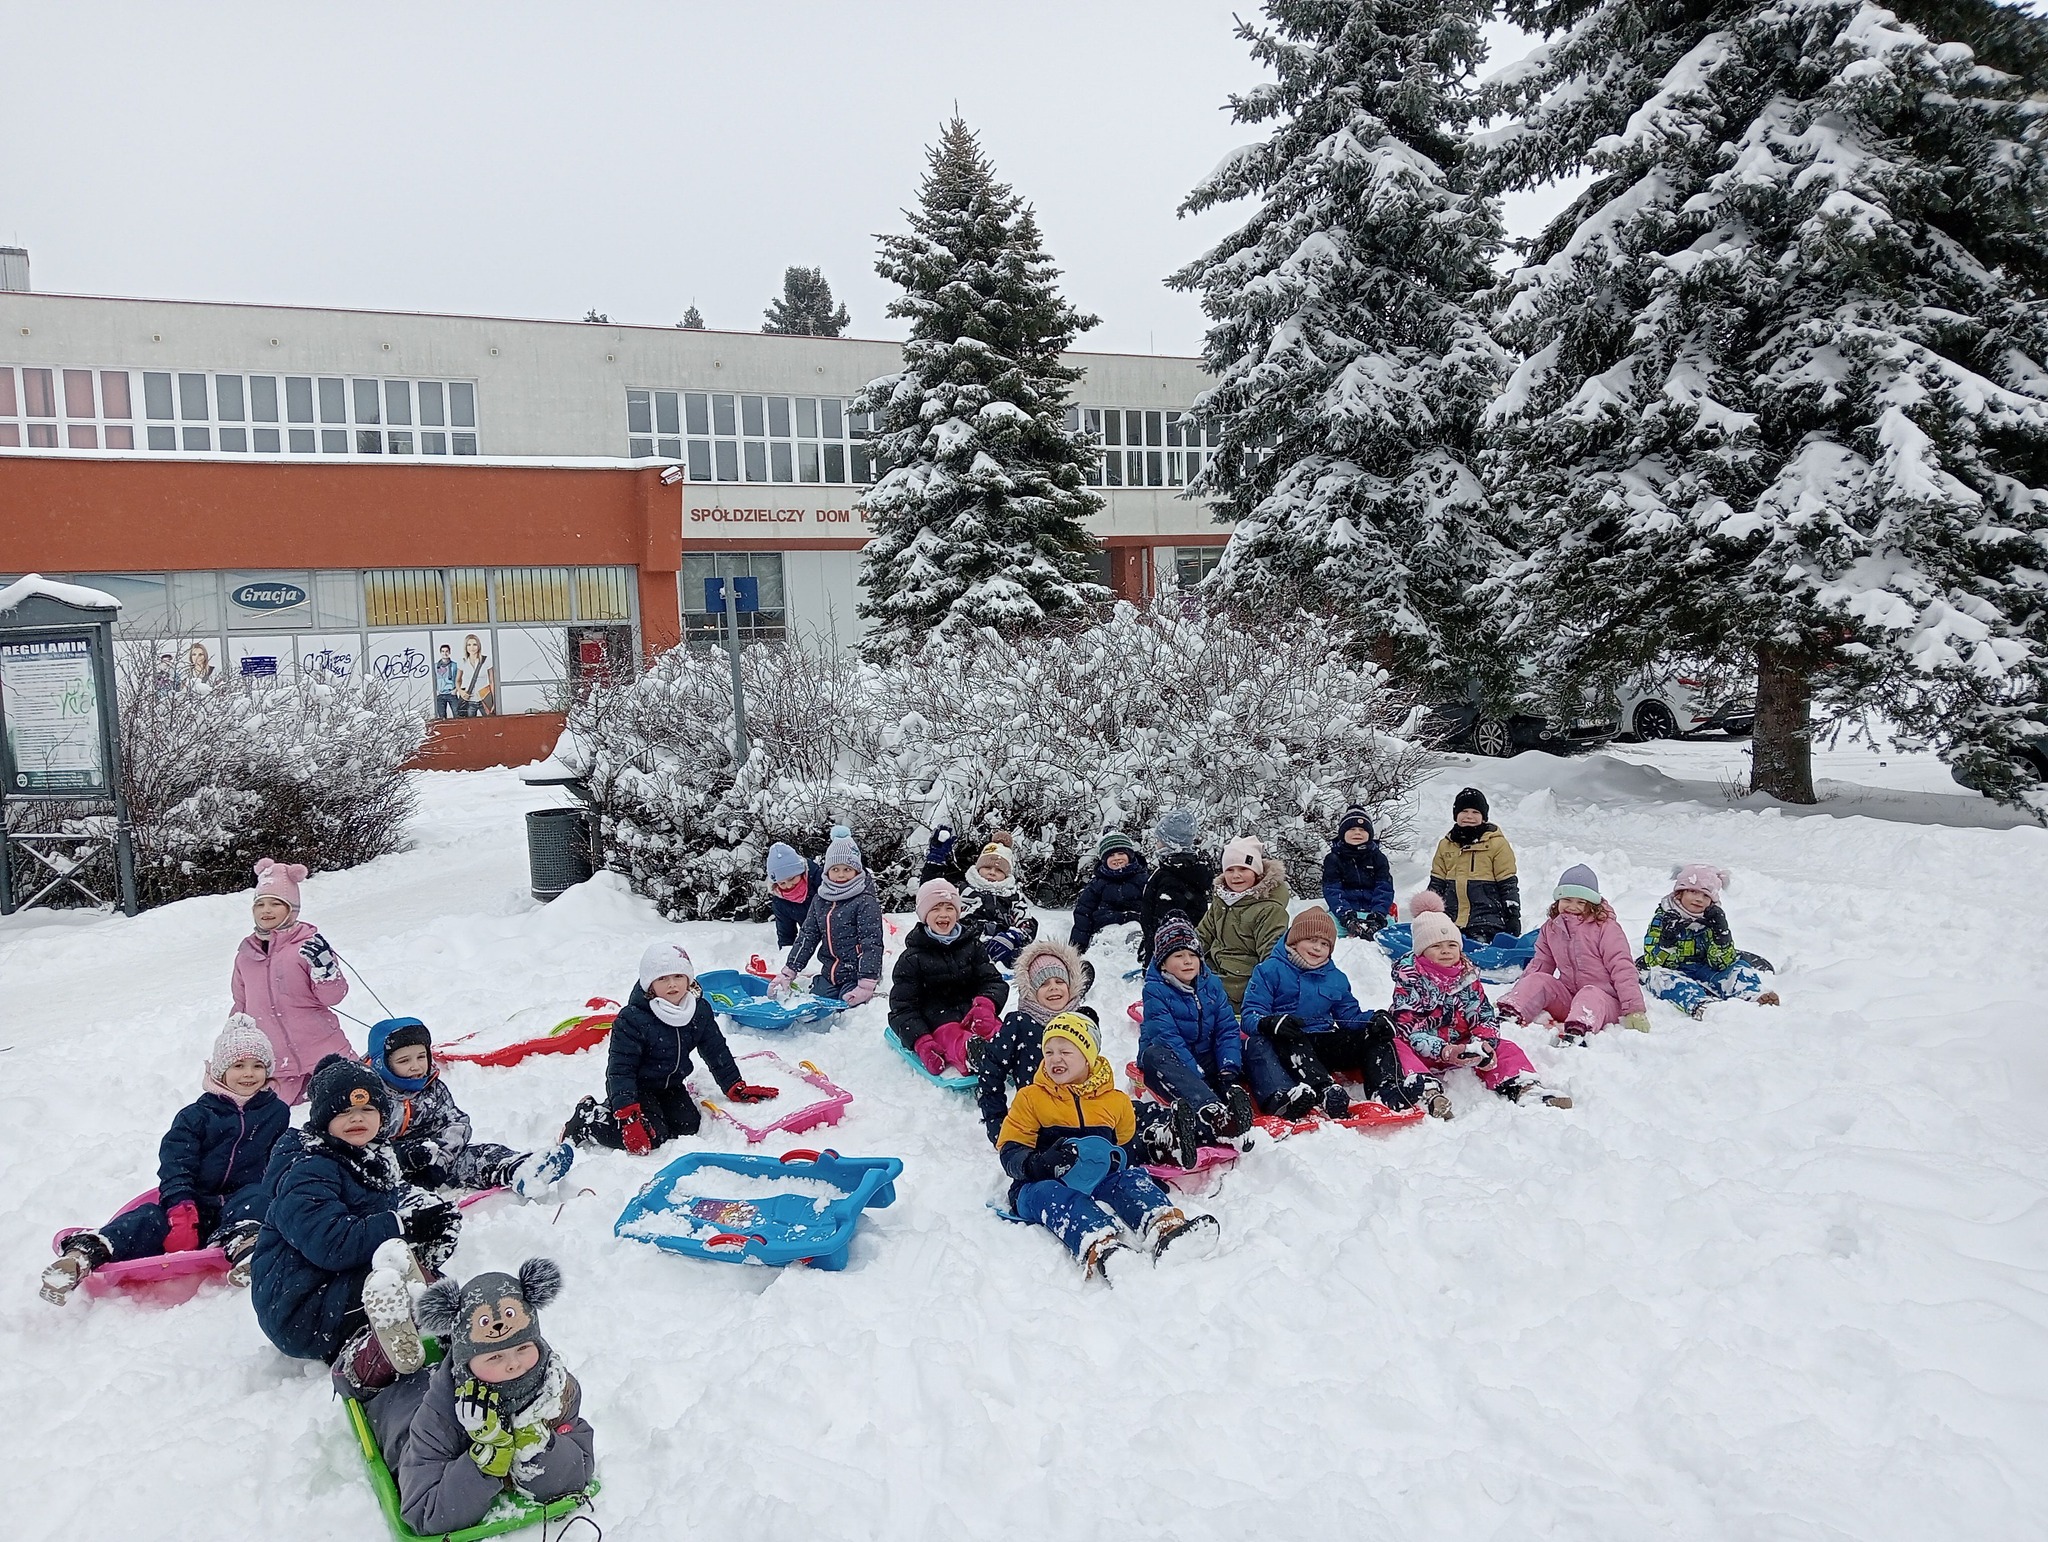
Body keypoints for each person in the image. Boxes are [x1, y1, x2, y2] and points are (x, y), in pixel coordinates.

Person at [251, 1054, 464, 1393]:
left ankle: (455, 1333)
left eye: (367, 1110)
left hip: (333, 1287)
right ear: (322, 1120)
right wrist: (401, 1226)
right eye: (344, 1112)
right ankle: (369, 1359)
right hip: (301, 1309)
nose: (357, 1119)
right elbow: (331, 1244)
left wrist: (428, 1233)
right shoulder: (308, 1169)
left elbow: (372, 1231)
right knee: (399, 1287)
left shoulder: (366, 1156)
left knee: (420, 1284)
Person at [40, 1015, 291, 1304]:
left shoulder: (276, 1113)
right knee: (146, 1219)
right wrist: (180, 1206)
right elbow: (176, 1163)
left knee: (258, 1200)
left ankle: (247, 1248)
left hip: (242, 1202)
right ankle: (83, 1255)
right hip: (193, 1203)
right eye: (239, 1065)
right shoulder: (196, 1116)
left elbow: (282, 1157)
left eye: (257, 1066)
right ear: (221, 1071)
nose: (249, 1074)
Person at [353, 1259, 596, 1537]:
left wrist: (538, 1446)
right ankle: (379, 1347)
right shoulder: (438, 1418)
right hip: (398, 1404)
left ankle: (430, 1307)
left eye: (523, 1348)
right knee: (373, 1378)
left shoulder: (555, 1387)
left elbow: (579, 1471)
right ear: (466, 1363)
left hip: (459, 1358)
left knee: (466, 1335)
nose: (514, 1365)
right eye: (495, 1356)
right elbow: (424, 1512)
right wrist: (483, 1462)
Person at [997, 1013, 1219, 1282]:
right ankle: (1103, 1247)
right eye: (1049, 1052)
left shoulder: (1114, 1102)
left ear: (1088, 1056)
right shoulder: (1031, 1098)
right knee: (1051, 1194)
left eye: (1065, 1051)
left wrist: (1134, 1171)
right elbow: (1010, 1150)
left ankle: (1165, 1226)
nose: (1055, 1058)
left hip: (1098, 1176)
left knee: (1130, 1179)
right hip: (1040, 1182)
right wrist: (1038, 1163)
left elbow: (1126, 1147)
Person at [562, 941, 775, 1153]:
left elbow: (715, 1049)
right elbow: (620, 1070)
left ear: (688, 979)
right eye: (662, 978)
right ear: (650, 984)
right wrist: (628, 1114)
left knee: (688, 1127)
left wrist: (734, 1085)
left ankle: (649, 1114)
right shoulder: (633, 1019)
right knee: (652, 1138)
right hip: (638, 1087)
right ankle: (587, 1120)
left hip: (670, 1085)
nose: (672, 984)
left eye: (678, 976)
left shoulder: (698, 1010)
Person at [1390, 904, 1570, 1117]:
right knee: (1396, 1048)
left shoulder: (1467, 977)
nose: (1446, 951)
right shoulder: (1411, 980)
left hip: (1463, 1045)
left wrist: (1484, 1043)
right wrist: (1444, 1050)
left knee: (1506, 1048)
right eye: (1437, 946)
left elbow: (1483, 1014)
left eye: (1451, 945)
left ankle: (1524, 1086)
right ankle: (1427, 1092)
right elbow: (1409, 1029)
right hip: (1426, 1049)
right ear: (1422, 951)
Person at [366, 1018, 574, 1198]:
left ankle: (521, 1169)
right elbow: (359, 1144)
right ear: (381, 1064)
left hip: (433, 1156)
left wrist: (440, 1159)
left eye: (421, 1057)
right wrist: (400, 1158)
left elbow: (456, 1123)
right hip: (387, 1167)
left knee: (479, 1155)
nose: (416, 1066)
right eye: (404, 1060)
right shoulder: (370, 1096)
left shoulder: (432, 1086)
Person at [1238, 907, 1408, 1120]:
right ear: (1294, 940)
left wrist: (1373, 1020)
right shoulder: (1269, 970)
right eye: (1311, 940)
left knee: (1375, 1037)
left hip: (1323, 1042)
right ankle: (1325, 1091)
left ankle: (1387, 1088)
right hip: (1286, 1046)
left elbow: (1349, 1016)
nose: (1317, 948)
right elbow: (1250, 1014)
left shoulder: (1335, 977)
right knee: (1293, 1039)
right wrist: (1271, 1023)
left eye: (1325, 944)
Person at [230, 857, 352, 1105]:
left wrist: (326, 972)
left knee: (346, 1103)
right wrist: (235, 1037)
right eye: (260, 904)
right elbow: (241, 1004)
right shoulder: (245, 956)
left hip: (324, 1051)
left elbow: (333, 997)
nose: (266, 910)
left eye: (276, 903)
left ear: (291, 909)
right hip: (278, 1065)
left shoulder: (309, 947)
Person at [1137, 918, 1255, 1160]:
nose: (1188, 961)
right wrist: (1198, 1075)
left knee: (1250, 1044)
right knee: (1156, 1054)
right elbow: (1167, 1038)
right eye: (1178, 955)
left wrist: (1227, 1070)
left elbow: (1226, 1028)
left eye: (1192, 954)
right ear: (1163, 963)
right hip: (1171, 1062)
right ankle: (1212, 1112)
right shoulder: (1155, 990)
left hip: (1204, 1058)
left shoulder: (1211, 984)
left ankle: (1238, 1104)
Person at [1498, 865, 1650, 1040]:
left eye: (1581, 902)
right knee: (1538, 979)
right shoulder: (1552, 928)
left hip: (1604, 1002)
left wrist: (1634, 1009)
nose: (1572, 906)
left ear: (1592, 904)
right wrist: (1519, 993)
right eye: (1567, 899)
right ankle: (1510, 1013)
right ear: (1558, 901)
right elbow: (1540, 964)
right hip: (1569, 997)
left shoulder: (1606, 929)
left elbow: (1622, 968)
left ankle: (1578, 1032)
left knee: (1590, 993)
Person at [975, 937, 1094, 1141]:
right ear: (1030, 990)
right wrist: (997, 1121)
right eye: (1044, 983)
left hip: (1082, 1116)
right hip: (1038, 1121)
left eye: (1059, 981)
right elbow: (991, 1071)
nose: (1054, 988)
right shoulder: (1020, 1024)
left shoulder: (1083, 1020)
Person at [888, 879, 1010, 1074]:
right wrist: (921, 1041)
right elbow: (902, 1008)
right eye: (935, 909)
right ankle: (974, 1054)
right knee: (954, 1038)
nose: (943, 915)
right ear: (924, 915)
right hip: (938, 1021)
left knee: (995, 1029)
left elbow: (992, 981)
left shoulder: (972, 946)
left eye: (949, 908)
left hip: (974, 1012)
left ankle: (1009, 1050)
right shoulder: (912, 959)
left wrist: (986, 1005)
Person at [1639, 863, 1781, 1017]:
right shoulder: (1664, 917)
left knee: (1738, 967)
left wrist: (1722, 937)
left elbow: (1722, 963)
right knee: (1659, 978)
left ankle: (1753, 994)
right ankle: (1700, 1004)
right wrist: (1667, 943)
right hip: (1675, 969)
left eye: (1706, 895)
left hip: (1707, 967)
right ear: (1680, 893)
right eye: (1693, 891)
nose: (1699, 899)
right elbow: (1652, 961)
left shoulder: (1712, 918)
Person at [775, 829, 884, 1005]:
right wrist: (789, 970)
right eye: (835, 869)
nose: (841, 874)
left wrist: (866, 983)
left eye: (847, 869)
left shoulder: (864, 901)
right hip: (830, 973)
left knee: (847, 1003)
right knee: (818, 1001)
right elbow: (807, 935)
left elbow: (871, 942)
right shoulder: (821, 899)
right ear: (827, 871)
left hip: (856, 975)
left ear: (857, 870)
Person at [1195, 836, 1292, 1009]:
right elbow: (1202, 936)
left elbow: (1271, 955)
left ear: (1257, 873)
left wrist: (1263, 997)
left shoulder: (1268, 909)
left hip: (1243, 981)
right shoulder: (1222, 901)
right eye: (1230, 869)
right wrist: (1181, 952)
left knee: (1196, 1001)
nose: (1236, 876)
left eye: (1243, 869)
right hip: (1213, 969)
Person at [1428, 787, 1521, 943]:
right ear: (1456, 815)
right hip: (1451, 917)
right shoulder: (1445, 845)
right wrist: (1428, 912)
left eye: (1475, 812)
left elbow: (1508, 884)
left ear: (1483, 817)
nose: (1469, 816)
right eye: (1464, 811)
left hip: (1486, 919)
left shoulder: (1497, 844)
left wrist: (1513, 915)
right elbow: (1437, 884)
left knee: (1477, 948)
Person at [1139, 808, 1215, 966]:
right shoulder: (1178, 870)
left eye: (1159, 840)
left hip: (1169, 958)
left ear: (1171, 843)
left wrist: (1155, 955)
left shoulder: (1172, 877)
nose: (1156, 844)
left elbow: (1166, 923)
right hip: (1174, 952)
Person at [1070, 831, 1149, 953]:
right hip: (1105, 933)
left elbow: (1155, 910)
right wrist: (1077, 950)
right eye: (1111, 855)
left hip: (1138, 931)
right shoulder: (1096, 885)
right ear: (1104, 860)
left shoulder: (1144, 880)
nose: (1116, 858)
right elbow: (1083, 915)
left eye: (1121, 853)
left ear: (1130, 855)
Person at [1320, 805, 1394, 937]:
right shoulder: (1334, 859)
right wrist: (1346, 916)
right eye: (1352, 829)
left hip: (1373, 912)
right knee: (1325, 931)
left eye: (1362, 829)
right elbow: (1332, 890)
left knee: (1389, 936)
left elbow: (1384, 888)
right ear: (1343, 833)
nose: (1357, 833)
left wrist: (1378, 916)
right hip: (1344, 913)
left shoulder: (1378, 858)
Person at [961, 839, 1037, 965]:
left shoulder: (1012, 896)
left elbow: (1027, 925)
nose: (992, 872)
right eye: (987, 867)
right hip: (966, 945)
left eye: (999, 870)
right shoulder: (963, 890)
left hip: (1002, 947)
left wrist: (1013, 937)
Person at [763, 842, 823, 951]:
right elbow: (786, 936)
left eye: (791, 879)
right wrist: (785, 956)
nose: (789, 885)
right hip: (812, 944)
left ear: (801, 872)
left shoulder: (820, 881)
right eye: (782, 883)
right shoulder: (780, 901)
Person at [455, 633, 494, 717]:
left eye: (474, 644)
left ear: (478, 646)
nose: (472, 647)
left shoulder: (486, 660)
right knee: (470, 726)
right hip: (470, 699)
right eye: (469, 645)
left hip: (484, 699)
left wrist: (494, 700)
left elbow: (492, 681)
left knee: (490, 724)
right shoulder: (462, 662)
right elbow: (458, 680)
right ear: (465, 647)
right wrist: (460, 691)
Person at [432, 644, 459, 720]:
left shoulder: (454, 665)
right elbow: (434, 679)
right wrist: (435, 690)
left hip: (451, 693)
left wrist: (456, 689)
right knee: (442, 717)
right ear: (440, 653)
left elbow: (459, 678)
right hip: (440, 694)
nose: (445, 653)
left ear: (449, 652)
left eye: (447, 651)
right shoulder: (435, 666)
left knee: (457, 714)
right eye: (443, 651)